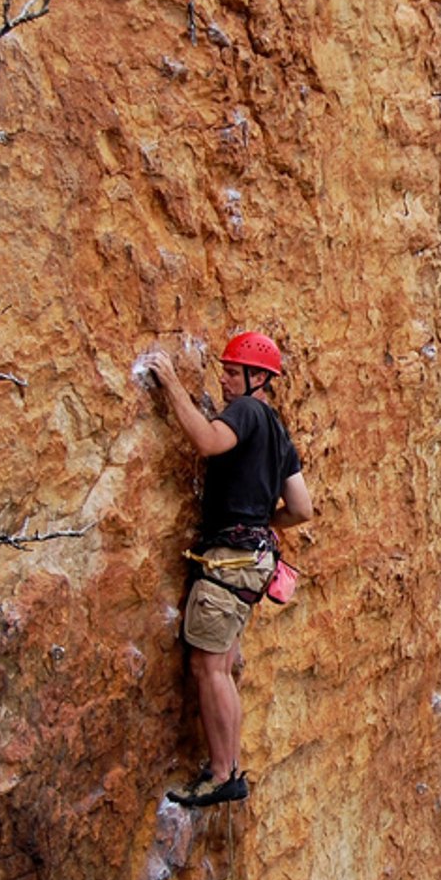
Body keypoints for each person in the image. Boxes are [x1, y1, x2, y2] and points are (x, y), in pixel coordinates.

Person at [147, 331, 312, 807]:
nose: (223, 378)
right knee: (220, 665)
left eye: (231, 371)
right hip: (255, 558)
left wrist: (171, 383)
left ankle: (222, 773)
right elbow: (301, 508)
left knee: (209, 666)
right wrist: (260, 522)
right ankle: (229, 768)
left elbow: (206, 440)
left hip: (229, 559)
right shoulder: (278, 430)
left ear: (258, 378)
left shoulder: (246, 410)